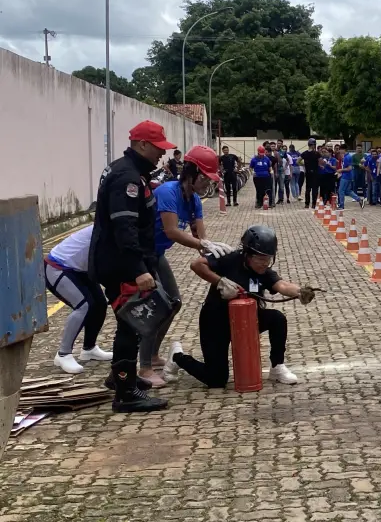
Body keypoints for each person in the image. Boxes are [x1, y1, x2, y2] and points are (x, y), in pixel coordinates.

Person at [89, 120, 176, 412]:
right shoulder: (127, 176)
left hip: (123, 262)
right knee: (131, 325)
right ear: (141, 145)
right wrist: (139, 270)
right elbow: (124, 228)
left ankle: (122, 381)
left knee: (132, 324)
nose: (161, 155)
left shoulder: (128, 170)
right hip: (122, 265)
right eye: (157, 149)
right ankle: (126, 394)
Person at [162, 225, 315, 388]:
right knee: (216, 379)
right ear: (248, 254)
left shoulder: (263, 272)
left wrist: (299, 292)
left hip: (246, 319)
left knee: (277, 319)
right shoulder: (229, 259)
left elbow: (281, 285)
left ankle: (277, 366)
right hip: (216, 321)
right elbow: (197, 265)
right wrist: (220, 282)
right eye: (260, 259)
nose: (264, 264)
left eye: (268, 259)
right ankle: (177, 357)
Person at [141, 145, 233, 387]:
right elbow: (172, 231)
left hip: (157, 254)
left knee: (174, 302)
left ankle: (152, 354)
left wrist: (215, 251)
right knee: (155, 307)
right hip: (141, 255)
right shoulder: (168, 192)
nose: (207, 184)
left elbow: (201, 240)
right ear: (193, 174)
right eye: (205, 178)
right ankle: (144, 369)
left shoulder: (194, 201)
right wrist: (202, 242)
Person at [44, 225, 112, 374]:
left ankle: (89, 349)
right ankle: (63, 354)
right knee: (83, 305)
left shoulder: (117, 228)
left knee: (100, 304)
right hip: (57, 267)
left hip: (80, 269)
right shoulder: (107, 229)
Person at [336, 144, 366, 210]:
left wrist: (341, 170)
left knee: (341, 191)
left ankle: (341, 205)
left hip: (346, 176)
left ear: (343, 150)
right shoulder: (346, 156)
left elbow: (349, 168)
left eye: (340, 150)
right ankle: (359, 200)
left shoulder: (347, 157)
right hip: (347, 176)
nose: (340, 151)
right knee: (347, 191)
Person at [301, 138, 320, 208]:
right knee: (315, 189)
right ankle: (314, 204)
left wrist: (303, 164)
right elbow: (320, 162)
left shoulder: (304, 153)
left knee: (308, 189)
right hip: (315, 173)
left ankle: (307, 204)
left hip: (308, 173)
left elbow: (297, 161)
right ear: (313, 145)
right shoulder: (317, 153)